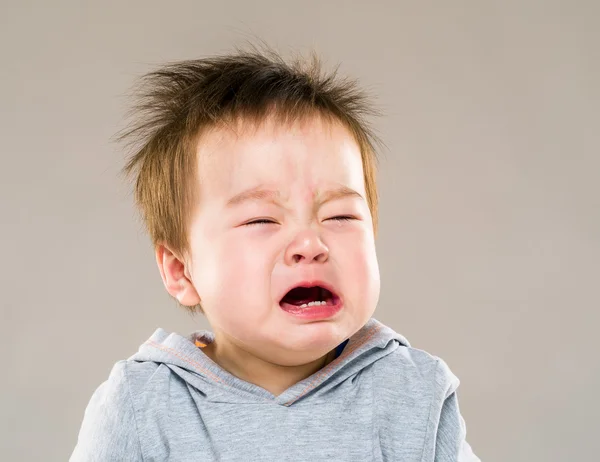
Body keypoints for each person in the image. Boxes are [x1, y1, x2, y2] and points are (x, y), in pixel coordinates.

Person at [70, 45, 480, 461]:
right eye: (261, 221)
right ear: (182, 271)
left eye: (340, 216)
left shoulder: (414, 393)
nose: (310, 245)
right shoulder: (143, 407)